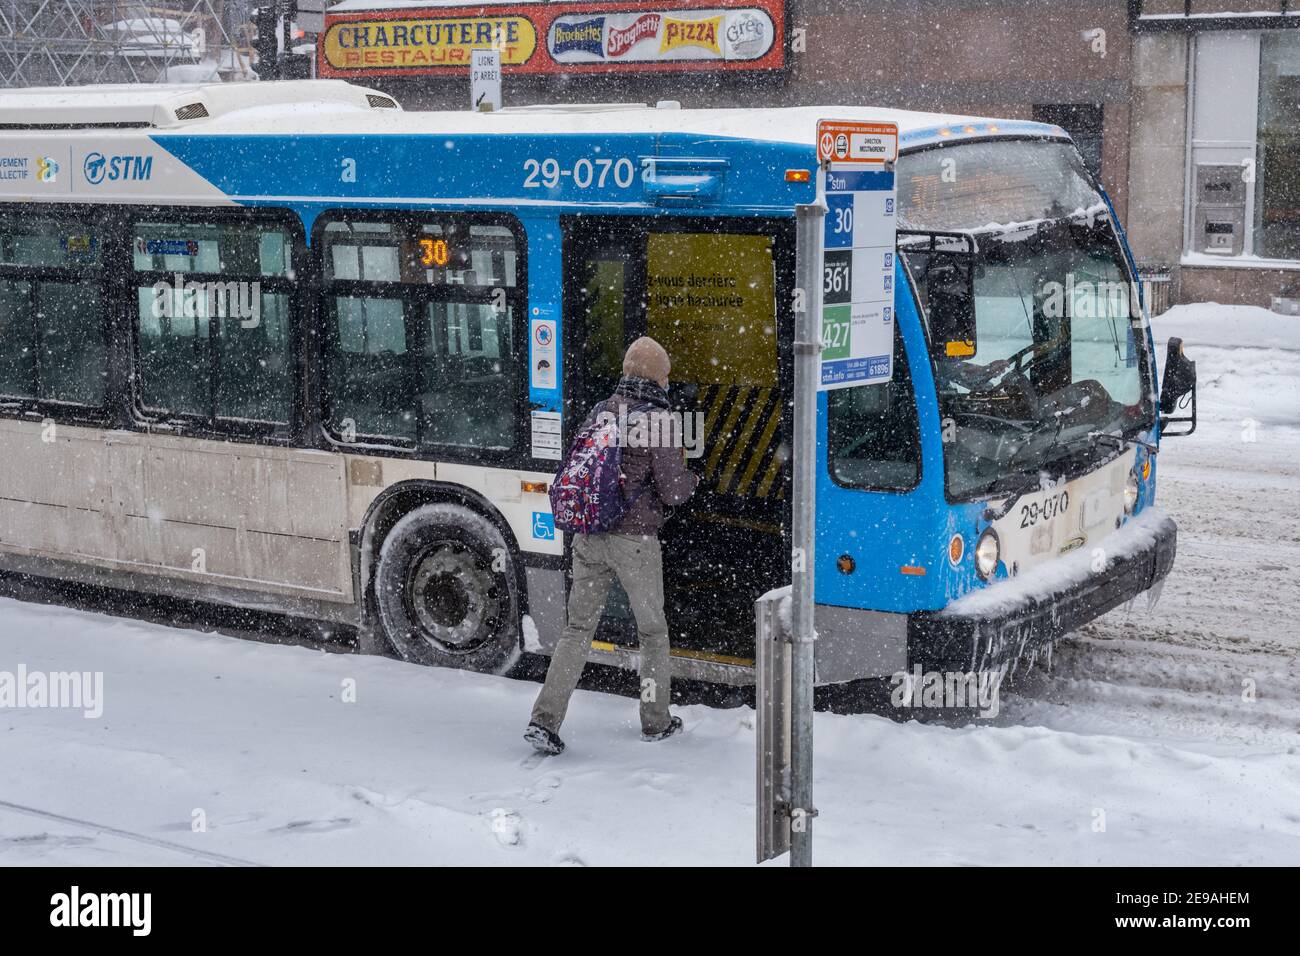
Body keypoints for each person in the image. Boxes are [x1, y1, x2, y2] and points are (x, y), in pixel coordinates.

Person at [525, 336, 699, 756]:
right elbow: (673, 490)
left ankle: (543, 721)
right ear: (659, 376)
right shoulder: (659, 419)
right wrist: (695, 480)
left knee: (577, 629)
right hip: (634, 542)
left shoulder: (600, 410)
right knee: (653, 632)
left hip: (589, 535)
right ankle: (655, 721)